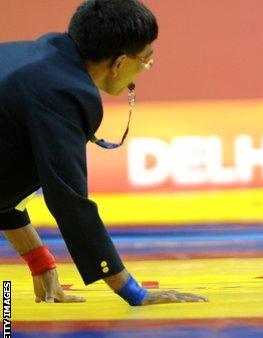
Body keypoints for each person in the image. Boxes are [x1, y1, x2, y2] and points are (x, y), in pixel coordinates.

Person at [0, 0, 205, 305]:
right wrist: (133, 291)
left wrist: (40, 261)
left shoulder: (33, 59)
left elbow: (6, 179)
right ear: (120, 62)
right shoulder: (65, 91)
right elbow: (69, 200)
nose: (144, 70)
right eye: (145, 60)